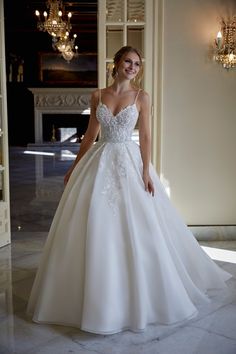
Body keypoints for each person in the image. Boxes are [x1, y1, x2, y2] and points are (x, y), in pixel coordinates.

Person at [27, 46, 232, 335]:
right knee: (93, 219)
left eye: (137, 64)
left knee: (139, 225)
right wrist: (74, 167)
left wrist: (146, 171)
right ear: (117, 63)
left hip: (129, 161)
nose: (133, 67)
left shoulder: (141, 97)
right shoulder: (98, 95)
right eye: (128, 61)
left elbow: (146, 135)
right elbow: (90, 135)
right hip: (100, 159)